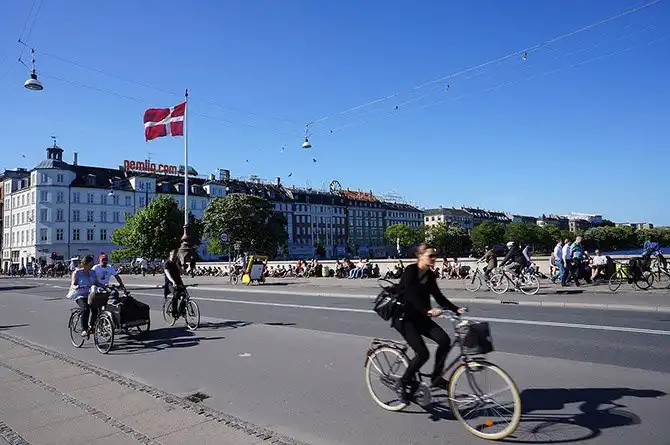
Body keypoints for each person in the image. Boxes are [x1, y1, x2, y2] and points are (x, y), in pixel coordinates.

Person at [394, 243, 464, 402]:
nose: (434, 258)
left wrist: (455, 309)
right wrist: (427, 310)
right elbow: (409, 295)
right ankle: (403, 383)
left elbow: (439, 297)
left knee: (444, 341)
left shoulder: (430, 276)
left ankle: (436, 377)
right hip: (404, 318)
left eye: (435, 256)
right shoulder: (411, 271)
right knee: (423, 354)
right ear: (420, 256)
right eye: (430, 256)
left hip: (420, 317)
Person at [67, 255, 99, 337]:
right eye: (90, 264)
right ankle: (84, 329)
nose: (92, 265)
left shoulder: (93, 272)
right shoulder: (77, 272)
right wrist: (77, 286)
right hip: (80, 295)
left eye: (92, 264)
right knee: (85, 309)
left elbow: (96, 282)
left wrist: (105, 286)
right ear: (85, 263)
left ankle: (91, 326)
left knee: (95, 310)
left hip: (90, 294)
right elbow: (73, 284)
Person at [164, 249, 185, 318]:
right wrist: (173, 282)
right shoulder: (167, 263)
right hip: (170, 283)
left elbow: (182, 272)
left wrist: (179, 265)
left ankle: (181, 310)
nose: (174, 257)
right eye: (173, 255)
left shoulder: (176, 263)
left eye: (175, 256)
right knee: (176, 294)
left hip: (179, 282)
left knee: (184, 296)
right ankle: (174, 311)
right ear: (170, 254)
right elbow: (168, 274)